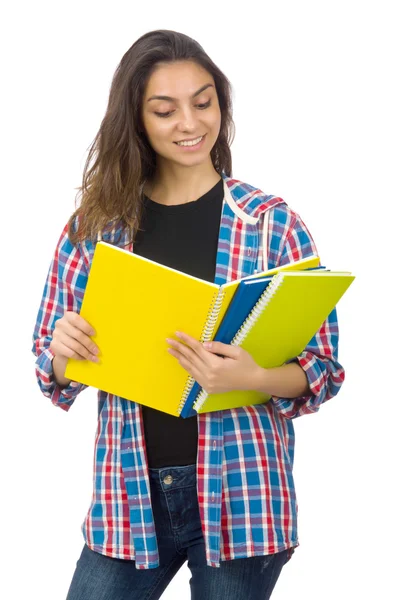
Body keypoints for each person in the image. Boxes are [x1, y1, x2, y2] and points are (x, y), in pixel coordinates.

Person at [32, 29, 345, 600]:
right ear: (137, 119)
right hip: (128, 499)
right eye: (165, 109)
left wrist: (251, 378)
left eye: (203, 102)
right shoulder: (94, 229)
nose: (190, 123)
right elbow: (49, 373)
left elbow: (323, 370)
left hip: (244, 495)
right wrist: (61, 353)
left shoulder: (272, 224)